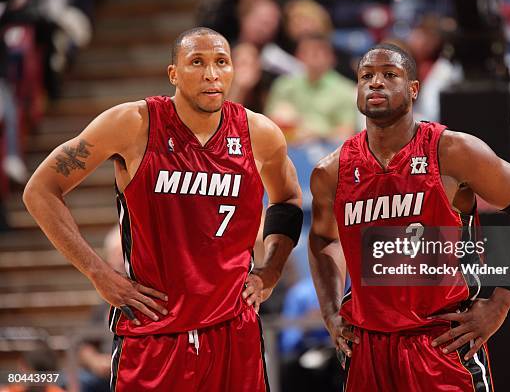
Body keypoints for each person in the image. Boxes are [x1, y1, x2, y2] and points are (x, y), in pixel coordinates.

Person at [22, 27, 303, 391]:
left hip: (233, 331)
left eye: (222, 62)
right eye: (197, 62)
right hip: (154, 331)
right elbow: (40, 190)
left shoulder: (259, 133)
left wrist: (271, 271)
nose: (211, 74)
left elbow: (288, 200)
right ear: (173, 73)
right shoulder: (132, 124)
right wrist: (99, 273)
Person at [309, 43, 510, 391]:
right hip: (369, 346)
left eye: (389, 75)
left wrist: (500, 303)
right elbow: (322, 238)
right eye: (367, 76)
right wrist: (331, 312)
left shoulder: (454, 152)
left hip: (441, 343)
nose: (376, 83)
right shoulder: (332, 171)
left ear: (413, 88)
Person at [265, 34, 356, 143]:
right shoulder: (284, 85)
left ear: (331, 57)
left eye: (318, 52)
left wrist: (316, 135)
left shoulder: (345, 89)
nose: (313, 56)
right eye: (307, 52)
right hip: (288, 146)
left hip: (326, 149)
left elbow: (346, 132)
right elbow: (269, 123)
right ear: (299, 56)